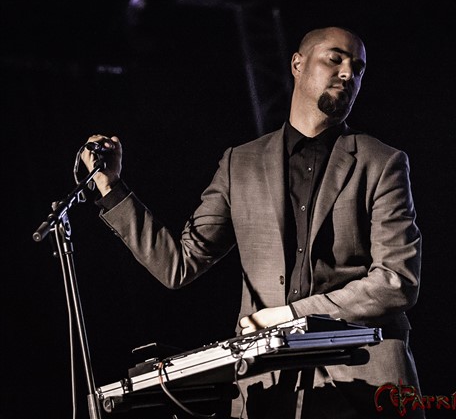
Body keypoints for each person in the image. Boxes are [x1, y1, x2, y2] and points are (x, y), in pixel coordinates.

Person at [82, 26, 424, 419]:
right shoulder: (239, 163)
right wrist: (111, 188)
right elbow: (178, 266)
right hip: (268, 388)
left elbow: (396, 281)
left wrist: (293, 315)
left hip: (362, 385)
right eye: (335, 59)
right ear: (297, 64)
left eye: (358, 69)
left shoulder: (382, 162)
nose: (348, 73)